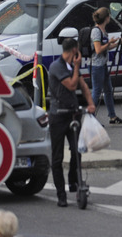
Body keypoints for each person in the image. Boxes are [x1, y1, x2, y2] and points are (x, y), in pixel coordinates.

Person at [48, 38, 96, 207]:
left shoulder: (72, 67)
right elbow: (71, 85)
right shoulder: (57, 66)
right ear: (74, 50)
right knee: (57, 157)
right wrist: (76, 66)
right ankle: (61, 194)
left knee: (77, 150)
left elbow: (82, 85)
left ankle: (74, 182)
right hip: (58, 115)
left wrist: (90, 103)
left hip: (73, 114)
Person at [90, 7, 122, 125]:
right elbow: (98, 49)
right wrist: (109, 43)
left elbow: (105, 47)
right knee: (97, 91)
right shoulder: (96, 31)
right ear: (106, 18)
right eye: (109, 16)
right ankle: (90, 118)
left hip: (103, 65)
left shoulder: (103, 30)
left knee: (108, 90)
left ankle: (112, 116)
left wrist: (117, 44)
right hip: (97, 66)